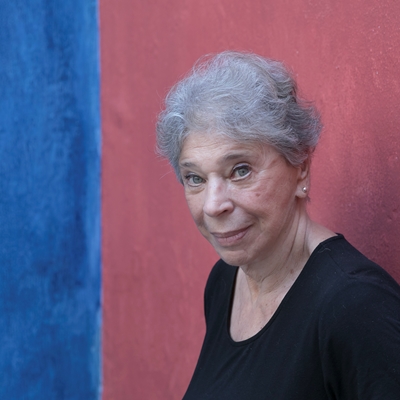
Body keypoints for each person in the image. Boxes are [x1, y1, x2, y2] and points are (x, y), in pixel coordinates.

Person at [156, 51, 400, 399]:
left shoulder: (356, 306)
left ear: (300, 166)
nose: (212, 205)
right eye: (195, 178)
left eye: (240, 170)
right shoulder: (226, 281)